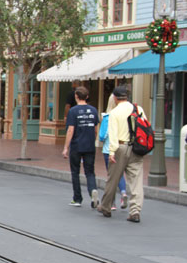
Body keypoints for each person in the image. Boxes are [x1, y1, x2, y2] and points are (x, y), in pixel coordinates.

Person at [97, 86, 146, 223]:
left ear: (115, 97)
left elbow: (113, 134)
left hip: (121, 146)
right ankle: (135, 211)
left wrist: (112, 151)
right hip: (136, 147)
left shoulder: (115, 112)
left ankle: (106, 206)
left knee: (113, 178)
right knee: (136, 180)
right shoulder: (138, 109)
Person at [62, 86, 99, 208]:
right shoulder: (93, 110)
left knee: (75, 172)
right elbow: (95, 129)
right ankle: (93, 190)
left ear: (76, 97)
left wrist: (66, 147)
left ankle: (77, 198)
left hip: (77, 145)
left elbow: (70, 130)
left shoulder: (73, 111)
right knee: (90, 172)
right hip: (89, 145)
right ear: (87, 97)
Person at [98, 94, 127, 211]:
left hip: (109, 149)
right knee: (119, 173)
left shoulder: (108, 117)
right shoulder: (125, 116)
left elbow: (102, 136)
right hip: (123, 147)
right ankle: (124, 192)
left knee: (111, 176)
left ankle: (112, 203)